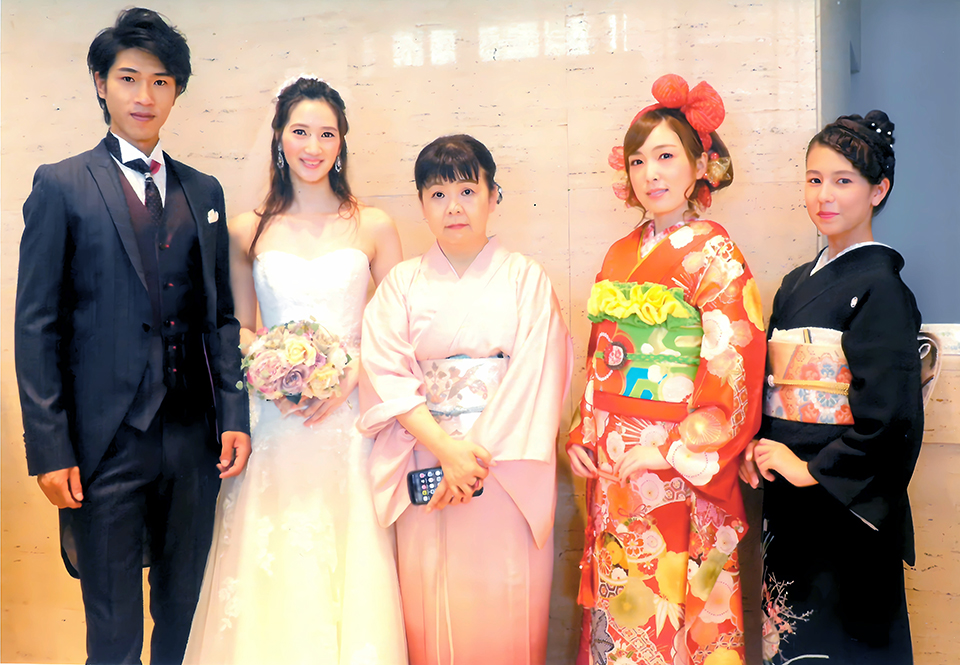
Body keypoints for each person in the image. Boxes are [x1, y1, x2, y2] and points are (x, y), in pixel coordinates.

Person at [13, 8, 251, 664]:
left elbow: (220, 317)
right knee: (113, 629)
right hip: (104, 442)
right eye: (128, 78)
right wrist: (50, 447)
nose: (145, 95)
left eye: (161, 81)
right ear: (101, 83)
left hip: (193, 437)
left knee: (184, 615)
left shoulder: (204, 190)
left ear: (177, 91)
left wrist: (234, 414)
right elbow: (36, 325)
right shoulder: (62, 184)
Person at [183, 77, 407, 664]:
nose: (313, 146)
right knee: (273, 554)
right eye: (300, 131)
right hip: (274, 420)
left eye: (327, 134)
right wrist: (271, 368)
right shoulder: (247, 228)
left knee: (348, 550)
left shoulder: (374, 225)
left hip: (349, 421)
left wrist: (350, 371)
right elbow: (239, 326)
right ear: (279, 138)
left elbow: (399, 325)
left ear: (342, 142)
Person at [566, 74, 766, 665]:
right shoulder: (619, 253)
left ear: (698, 165)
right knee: (622, 597)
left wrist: (675, 449)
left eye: (665, 156)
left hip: (676, 460)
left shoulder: (715, 252)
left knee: (673, 606)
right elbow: (602, 358)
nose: (650, 174)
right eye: (638, 161)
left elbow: (734, 359)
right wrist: (582, 433)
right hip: (615, 455)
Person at [358, 134, 573, 665]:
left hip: (501, 468)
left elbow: (538, 375)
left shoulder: (526, 279)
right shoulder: (400, 285)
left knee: (506, 604)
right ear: (421, 204)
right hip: (426, 458)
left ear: (493, 195)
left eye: (467, 191)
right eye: (437, 194)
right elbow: (385, 373)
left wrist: (469, 458)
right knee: (430, 609)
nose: (453, 207)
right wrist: (445, 450)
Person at [740, 111, 922, 664]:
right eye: (815, 179)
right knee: (792, 641)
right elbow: (772, 384)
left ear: (878, 190)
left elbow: (891, 418)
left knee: (842, 646)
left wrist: (811, 469)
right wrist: (757, 443)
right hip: (790, 499)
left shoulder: (882, 288)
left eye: (843, 181)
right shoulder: (795, 284)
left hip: (841, 502)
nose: (825, 195)